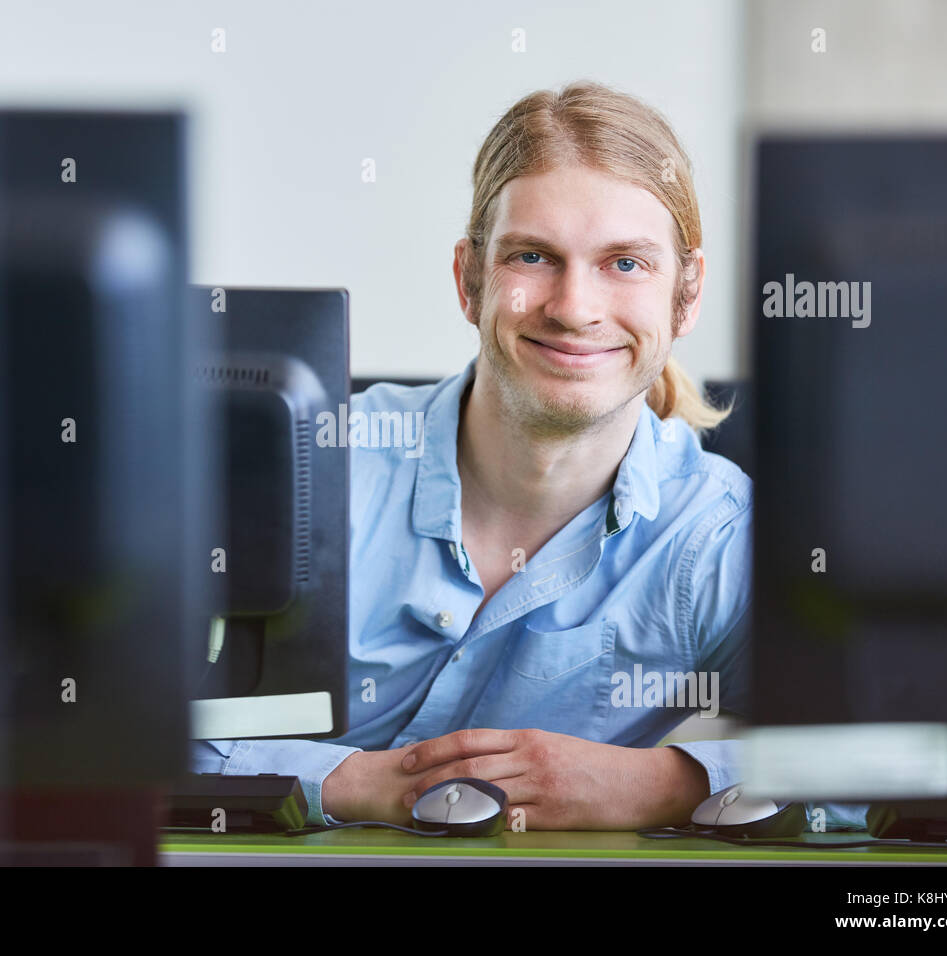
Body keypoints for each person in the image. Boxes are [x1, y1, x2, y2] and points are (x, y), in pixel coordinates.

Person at [193, 80, 867, 832]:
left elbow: (892, 762)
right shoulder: (317, 467)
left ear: (687, 292)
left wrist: (661, 783)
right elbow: (108, 727)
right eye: (535, 256)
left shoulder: (714, 533)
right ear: (469, 278)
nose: (574, 307)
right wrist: (353, 783)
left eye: (626, 264)